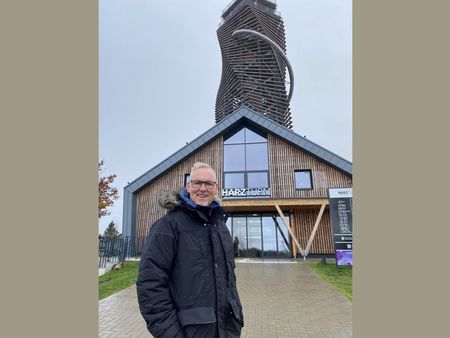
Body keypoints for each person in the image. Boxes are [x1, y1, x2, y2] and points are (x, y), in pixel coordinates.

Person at [136, 162, 244, 338]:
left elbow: (230, 280)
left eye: (209, 184)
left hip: (226, 331)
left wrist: (236, 318)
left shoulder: (221, 227)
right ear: (188, 186)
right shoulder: (168, 227)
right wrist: (171, 334)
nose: (203, 188)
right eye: (197, 183)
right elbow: (150, 285)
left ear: (216, 188)